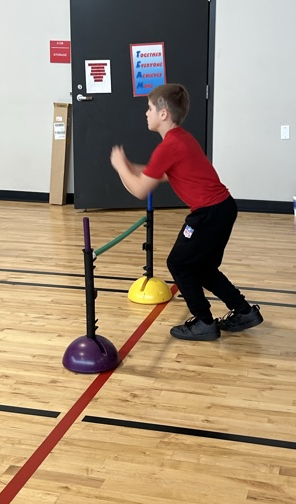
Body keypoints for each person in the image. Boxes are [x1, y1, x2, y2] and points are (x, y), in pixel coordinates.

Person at [110, 83, 262, 341]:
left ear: (163, 114)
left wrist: (120, 167)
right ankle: (244, 311)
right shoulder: (181, 139)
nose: (145, 114)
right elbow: (164, 173)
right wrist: (132, 168)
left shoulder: (169, 146)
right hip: (222, 209)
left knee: (178, 263)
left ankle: (204, 321)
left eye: (149, 109)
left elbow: (140, 190)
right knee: (202, 268)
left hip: (208, 213)